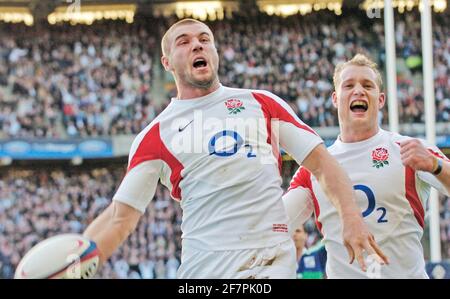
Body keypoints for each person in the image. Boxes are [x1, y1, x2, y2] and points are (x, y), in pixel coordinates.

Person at [83, 19, 387, 279]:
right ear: (167, 62)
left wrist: (351, 217)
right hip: (204, 272)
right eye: (184, 42)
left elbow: (323, 163)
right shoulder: (155, 135)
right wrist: (74, 261)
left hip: (268, 267)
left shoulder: (262, 103)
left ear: (215, 53)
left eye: (205, 40)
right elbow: (119, 218)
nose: (198, 46)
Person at [283, 54, 450, 278]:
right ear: (335, 98)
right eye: (349, 85)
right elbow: (277, 221)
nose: (359, 90)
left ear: (380, 100)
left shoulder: (407, 149)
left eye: (367, 85)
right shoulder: (315, 167)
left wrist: (435, 165)